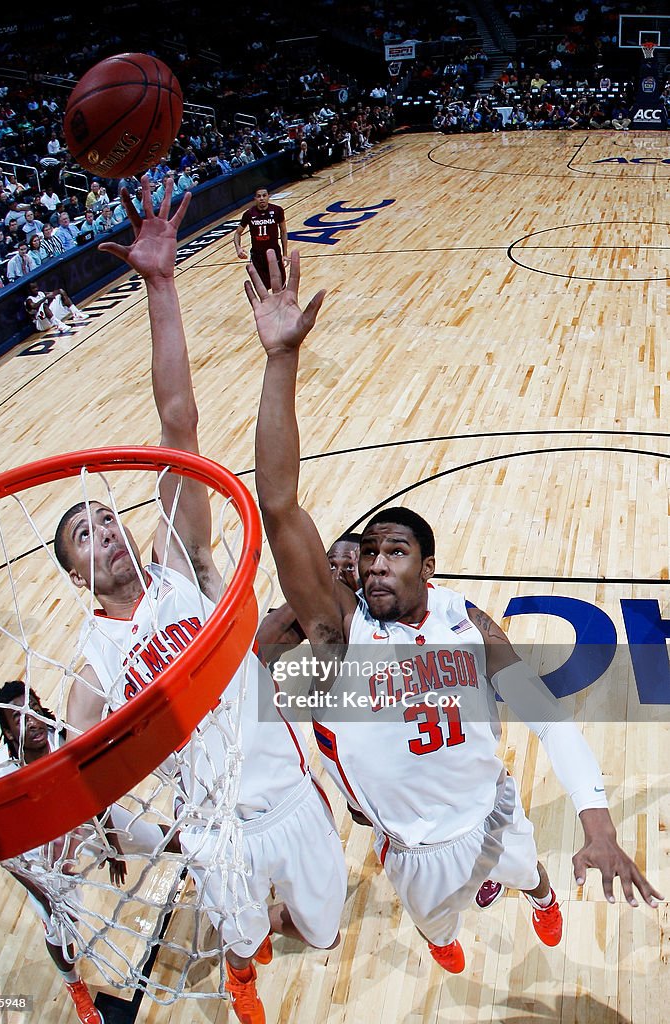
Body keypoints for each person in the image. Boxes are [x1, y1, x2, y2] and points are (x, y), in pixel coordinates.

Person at [246, 250, 663, 975]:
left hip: (493, 810)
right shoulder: (341, 635)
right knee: (437, 926)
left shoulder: (469, 624)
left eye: (395, 551)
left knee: (532, 871)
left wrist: (596, 824)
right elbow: (279, 505)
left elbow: (546, 717)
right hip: (417, 846)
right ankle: (444, 938)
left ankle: (538, 898)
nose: (375, 563)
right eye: (368, 553)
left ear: (428, 567)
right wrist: (281, 359)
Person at [57, 178, 346, 1024]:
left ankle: (266, 939)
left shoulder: (181, 564)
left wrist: (162, 287)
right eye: (84, 535)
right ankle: (243, 967)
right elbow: (78, 763)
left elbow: (178, 424)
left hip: (286, 792)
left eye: (107, 517)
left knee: (321, 934)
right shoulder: (91, 658)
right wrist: (79, 822)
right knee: (242, 936)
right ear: (75, 574)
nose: (104, 532)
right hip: (211, 827)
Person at [0, 680, 179, 1024]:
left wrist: (113, 842)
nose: (30, 719)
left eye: (32, 707)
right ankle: (73, 984)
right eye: (18, 718)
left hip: (82, 815)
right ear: (6, 731)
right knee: (60, 930)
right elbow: (8, 857)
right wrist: (43, 894)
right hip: (41, 850)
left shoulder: (64, 737)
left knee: (155, 838)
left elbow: (95, 789)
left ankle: (202, 857)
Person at [233, 188, 289, 290]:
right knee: (263, 289)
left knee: (281, 286)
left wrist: (285, 254)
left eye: (264, 195)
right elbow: (237, 233)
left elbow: (283, 232)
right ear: (255, 198)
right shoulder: (249, 214)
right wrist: (238, 248)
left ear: (268, 196)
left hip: (274, 253)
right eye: (259, 196)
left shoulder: (277, 211)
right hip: (258, 256)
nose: (262, 198)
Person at [25, 281, 89, 333]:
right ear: (29, 290)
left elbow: (52, 294)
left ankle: (76, 313)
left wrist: (57, 292)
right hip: (41, 324)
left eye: (36, 287)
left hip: (49, 318)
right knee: (44, 306)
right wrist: (45, 298)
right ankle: (59, 325)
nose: (36, 289)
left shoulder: (41, 293)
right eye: (33, 288)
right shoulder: (29, 300)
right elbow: (34, 306)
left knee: (61, 292)